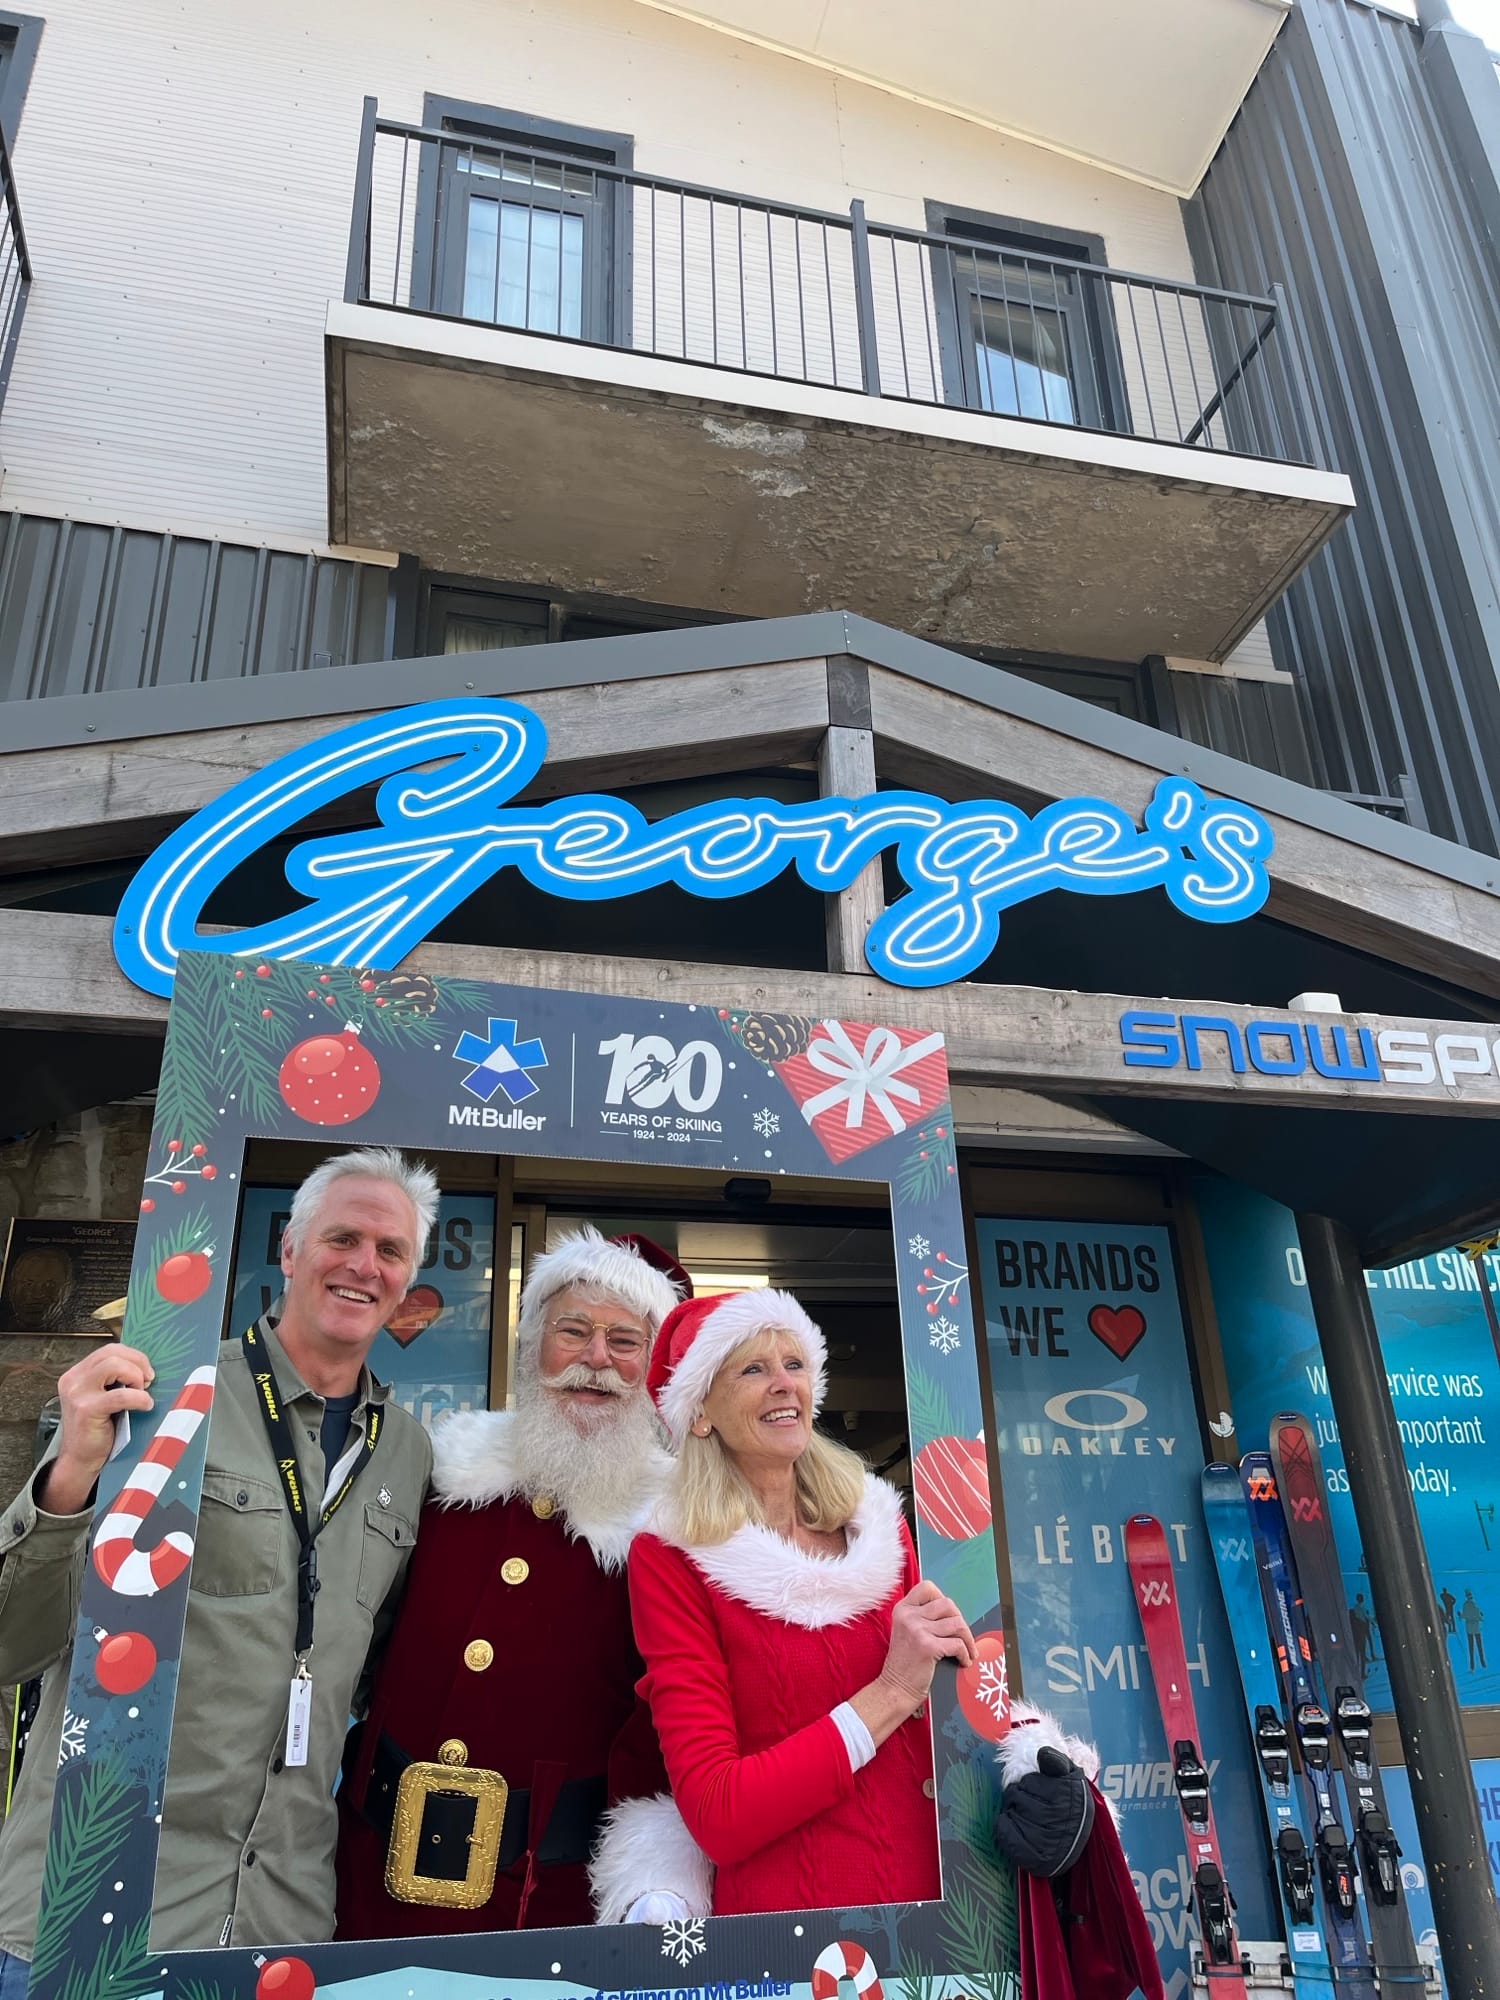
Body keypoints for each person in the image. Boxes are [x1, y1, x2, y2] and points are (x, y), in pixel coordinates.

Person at [0, 1146, 437, 1979]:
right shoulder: (161, 1399)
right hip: (98, 1915)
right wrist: (69, 1480)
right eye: (342, 1238)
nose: (363, 1266)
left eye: (389, 1252)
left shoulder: (407, 1452)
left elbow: (373, 1669)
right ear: (289, 1251)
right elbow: (10, 1649)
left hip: (283, 1928)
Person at [337, 1228, 711, 1935]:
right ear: (534, 1343)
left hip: (547, 1910)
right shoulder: (438, 1473)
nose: (596, 1359)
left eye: (625, 1342)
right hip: (362, 1881)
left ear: (651, 1370)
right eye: (573, 1330)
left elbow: (679, 1727)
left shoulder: (675, 1526)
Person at [614, 1287, 974, 1915]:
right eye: (753, 1369)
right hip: (806, 1937)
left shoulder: (879, 1529)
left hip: (956, 1909)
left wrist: (1025, 1751)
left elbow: (948, 1698)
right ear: (701, 1414)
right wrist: (889, 1692)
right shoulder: (672, 1558)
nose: (784, 1384)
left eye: (795, 1364)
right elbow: (717, 1813)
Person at [1463, 1589, 1486, 1670]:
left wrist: (1460, 1615)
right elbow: (1479, 1617)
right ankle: (1483, 1663)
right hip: (1476, 1628)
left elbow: (1464, 1616)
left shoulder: (1465, 1605)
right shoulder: (1475, 1605)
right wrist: (1482, 1616)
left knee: (1471, 1648)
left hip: (1469, 1628)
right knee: (1479, 1647)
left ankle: (1472, 1665)